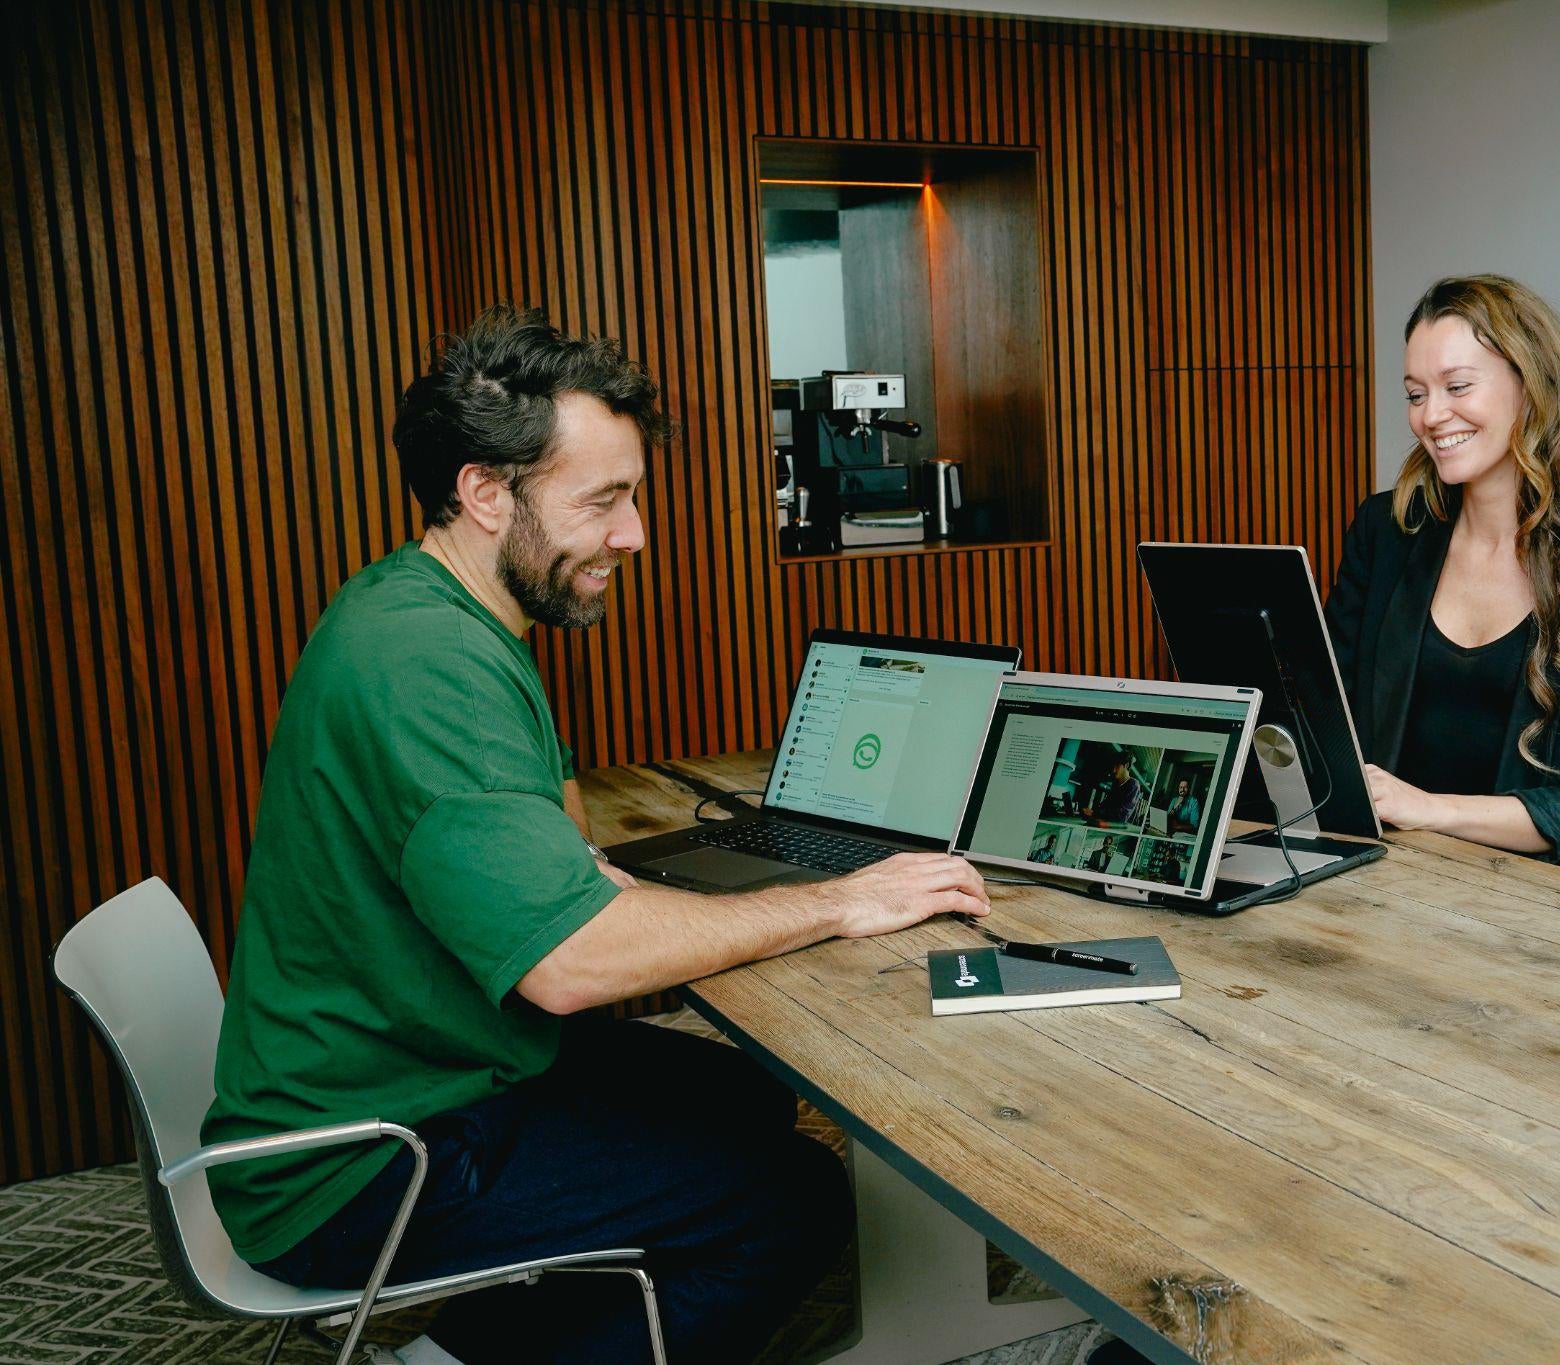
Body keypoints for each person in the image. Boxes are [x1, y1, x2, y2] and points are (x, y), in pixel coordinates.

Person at [202, 306, 991, 1364]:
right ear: (486, 492)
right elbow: (572, 966)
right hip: (357, 1159)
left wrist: (610, 896)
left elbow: (568, 842)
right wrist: (841, 898)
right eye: (601, 500)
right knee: (791, 1199)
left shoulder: (436, 608)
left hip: (421, 1068)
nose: (633, 535)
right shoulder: (429, 667)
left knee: (747, 1091)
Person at [1324, 275, 1560, 880]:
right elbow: (1322, 716)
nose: (1431, 416)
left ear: (1531, 385)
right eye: (1415, 394)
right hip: (1389, 883)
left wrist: (1431, 810)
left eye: (1457, 386)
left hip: (1545, 906)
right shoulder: (1386, 534)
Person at [1083, 751, 1145, 829]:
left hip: (1122, 827)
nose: (1114, 770)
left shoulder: (1133, 785)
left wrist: (1096, 813)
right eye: (1114, 767)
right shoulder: (1115, 784)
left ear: (1126, 765)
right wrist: (1092, 811)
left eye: (1117, 766)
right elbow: (1107, 802)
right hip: (1110, 823)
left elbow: (1122, 815)